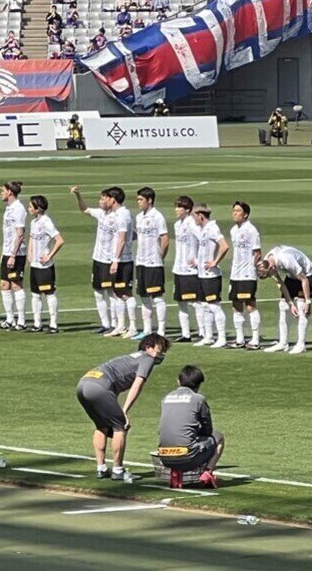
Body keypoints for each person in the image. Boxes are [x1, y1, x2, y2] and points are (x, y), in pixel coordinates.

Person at [77, 334, 172, 482]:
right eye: (160, 350)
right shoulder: (148, 359)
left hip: (83, 384)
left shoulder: (131, 357)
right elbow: (137, 385)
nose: (162, 354)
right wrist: (124, 411)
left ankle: (101, 468)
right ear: (148, 348)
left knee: (101, 426)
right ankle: (118, 470)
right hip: (98, 387)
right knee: (120, 426)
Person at [72, 185, 135, 337]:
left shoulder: (122, 215)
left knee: (120, 293)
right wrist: (78, 195)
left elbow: (122, 238)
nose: (100, 201)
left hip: (115, 260)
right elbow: (85, 210)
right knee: (102, 292)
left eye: (103, 198)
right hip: (99, 259)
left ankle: (126, 326)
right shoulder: (102, 213)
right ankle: (112, 325)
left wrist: (116, 259)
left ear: (112, 199)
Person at [157, 365, 224, 488]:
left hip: (164, 457)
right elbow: (207, 429)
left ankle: (176, 472)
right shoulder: (198, 399)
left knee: (181, 440)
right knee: (218, 437)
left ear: (178, 381)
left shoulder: (166, 398)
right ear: (198, 384)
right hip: (187, 456)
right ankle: (207, 472)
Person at [257, 244, 312, 354]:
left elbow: (303, 279)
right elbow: (280, 283)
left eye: (269, 274)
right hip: (291, 275)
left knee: (301, 307)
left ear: (271, 268)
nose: (271, 276)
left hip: (307, 273)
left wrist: (308, 301)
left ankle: (301, 344)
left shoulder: (287, 260)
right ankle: (283, 343)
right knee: (283, 305)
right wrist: (290, 303)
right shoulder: (267, 261)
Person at [134, 187, 169, 338]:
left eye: (141, 200)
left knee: (157, 296)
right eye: (138, 200)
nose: (138, 203)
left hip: (154, 262)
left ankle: (161, 329)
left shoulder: (158, 217)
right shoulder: (139, 217)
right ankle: (147, 329)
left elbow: (165, 239)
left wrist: (161, 255)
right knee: (143, 295)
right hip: (140, 261)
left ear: (150, 200)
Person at [26, 194, 64, 333]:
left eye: (31, 206)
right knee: (35, 294)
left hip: (45, 267)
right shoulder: (34, 222)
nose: (28, 209)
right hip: (35, 265)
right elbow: (31, 238)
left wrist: (49, 255)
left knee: (49, 294)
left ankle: (53, 324)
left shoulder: (46, 222)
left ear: (38, 208)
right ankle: (37, 324)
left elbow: (59, 240)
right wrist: (30, 253)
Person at [192, 204, 228, 348]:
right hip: (202, 274)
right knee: (205, 306)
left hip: (211, 275)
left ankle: (222, 337)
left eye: (194, 216)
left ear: (200, 215)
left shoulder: (212, 228)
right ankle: (208, 336)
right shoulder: (203, 230)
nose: (193, 219)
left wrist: (215, 262)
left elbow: (224, 245)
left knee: (214, 306)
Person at [228, 201, 262, 349]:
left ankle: (255, 340)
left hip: (247, 274)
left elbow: (257, 253)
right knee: (236, 306)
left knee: (250, 306)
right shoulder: (233, 230)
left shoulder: (251, 230)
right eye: (233, 210)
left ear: (245, 214)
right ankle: (239, 339)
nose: (234, 213)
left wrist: (254, 269)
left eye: (238, 211)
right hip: (235, 274)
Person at [0, 181, 29, 330]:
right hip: (7, 252)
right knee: (4, 285)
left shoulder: (18, 208)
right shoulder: (9, 208)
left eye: (3, 190)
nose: (1, 193)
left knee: (16, 285)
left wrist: (13, 255)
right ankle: (10, 318)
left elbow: (20, 234)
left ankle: (21, 320)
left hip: (16, 254)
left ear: (10, 192)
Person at [171, 195, 201, 343]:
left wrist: (197, 259)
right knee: (181, 302)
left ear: (187, 209)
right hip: (179, 268)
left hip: (191, 270)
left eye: (179, 207)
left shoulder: (192, 224)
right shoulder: (177, 225)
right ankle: (186, 334)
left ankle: (203, 332)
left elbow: (204, 241)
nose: (176, 210)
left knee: (195, 302)